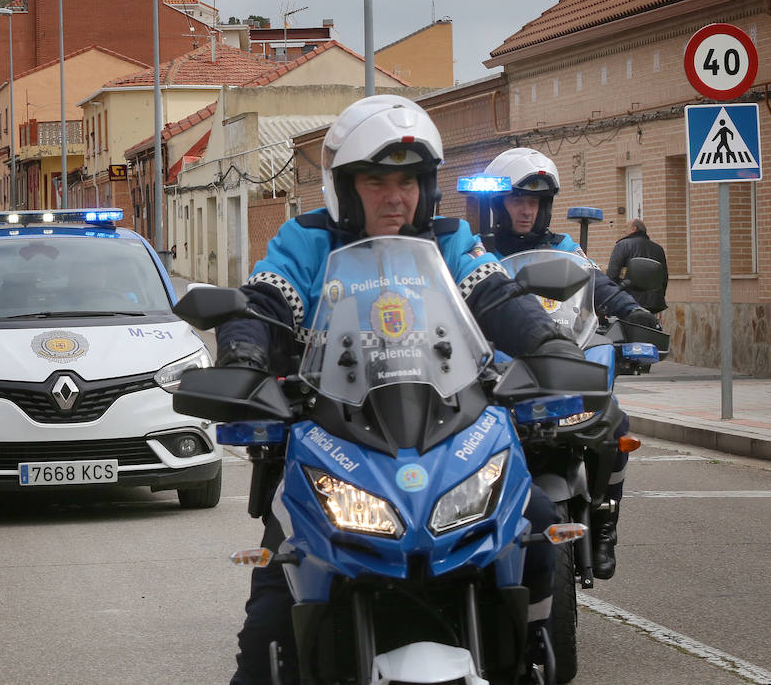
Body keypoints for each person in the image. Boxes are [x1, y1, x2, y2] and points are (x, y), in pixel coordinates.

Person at [217, 96, 579, 685]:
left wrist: (551, 347)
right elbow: (262, 301)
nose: (395, 196)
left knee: (534, 526)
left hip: (448, 430)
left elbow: (497, 298)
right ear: (345, 186)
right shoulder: (306, 241)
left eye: (409, 181)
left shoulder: (452, 239)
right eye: (376, 180)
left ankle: (531, 660)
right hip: (335, 434)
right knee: (271, 602)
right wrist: (242, 354)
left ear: (428, 187)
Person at [480, 147, 662, 582]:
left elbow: (597, 284)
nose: (526, 211)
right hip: (502, 372)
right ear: (499, 204)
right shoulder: (477, 252)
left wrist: (633, 313)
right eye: (517, 201)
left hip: (564, 363)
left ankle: (605, 523)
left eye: (535, 203)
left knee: (616, 425)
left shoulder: (564, 248)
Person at [606, 219, 668, 313]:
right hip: (654, 302)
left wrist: (612, 298)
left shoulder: (622, 245)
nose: (623, 231)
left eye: (626, 228)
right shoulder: (658, 249)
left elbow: (612, 274)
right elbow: (664, 276)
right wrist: (659, 295)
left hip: (629, 300)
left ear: (634, 229)